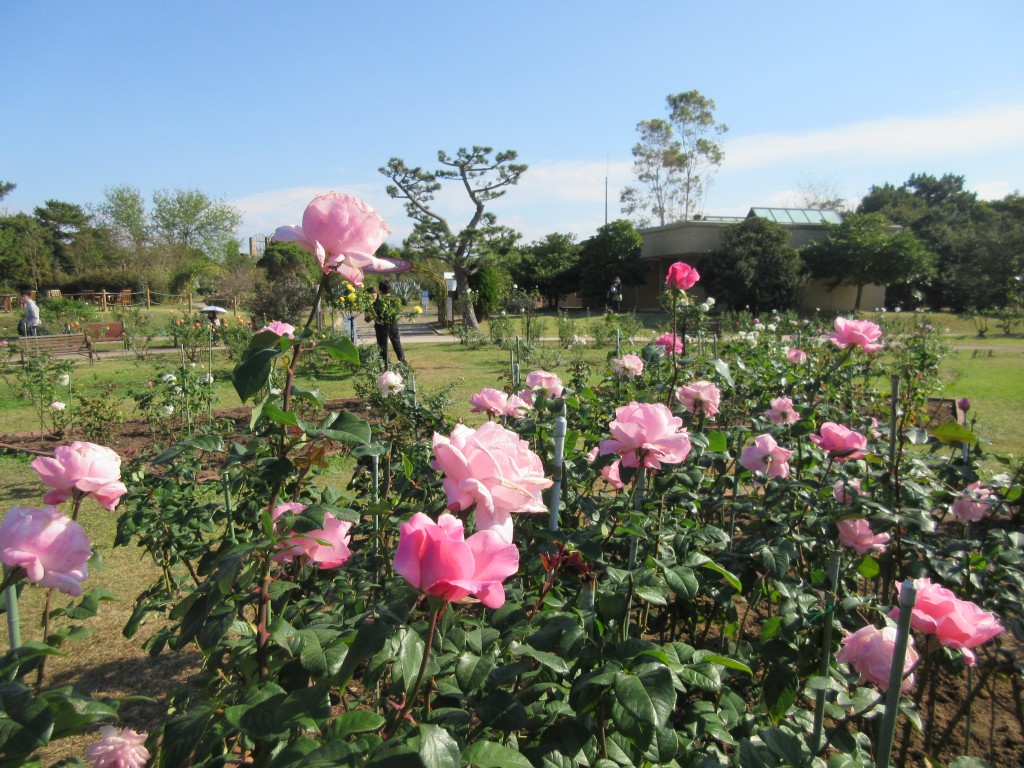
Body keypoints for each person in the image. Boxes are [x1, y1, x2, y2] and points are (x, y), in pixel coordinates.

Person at [368, 281, 405, 365]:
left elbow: (369, 316)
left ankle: (386, 366)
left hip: (381, 325)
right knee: (397, 344)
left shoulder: (378, 301)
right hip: (393, 324)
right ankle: (403, 363)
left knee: (382, 346)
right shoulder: (395, 300)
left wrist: (372, 301)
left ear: (380, 289)